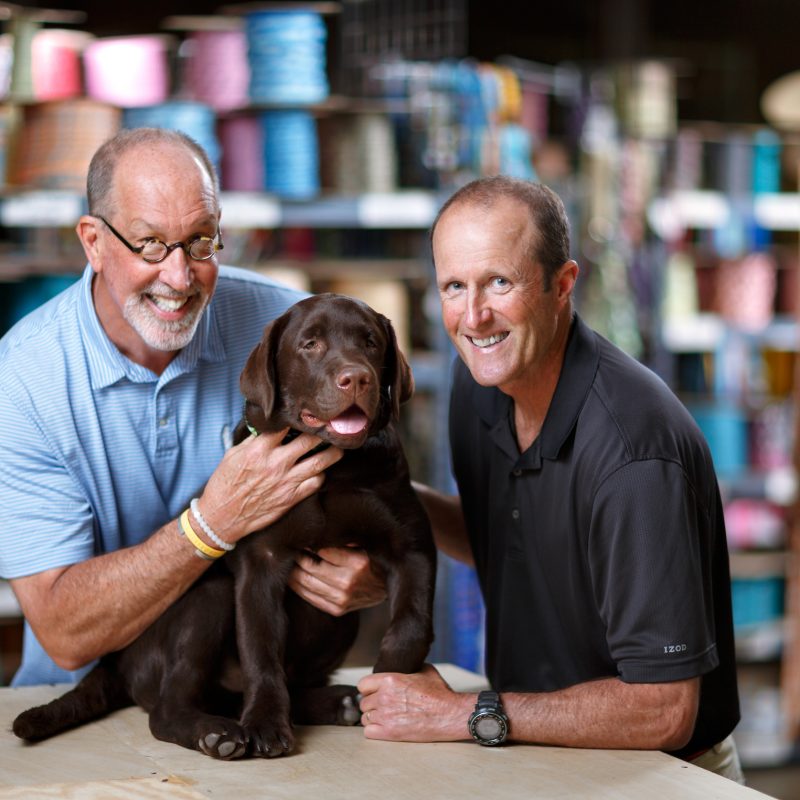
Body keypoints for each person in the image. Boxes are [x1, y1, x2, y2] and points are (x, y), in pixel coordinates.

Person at [356, 176, 743, 783]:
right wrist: (374, 505)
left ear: (562, 284)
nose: (474, 316)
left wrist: (464, 713)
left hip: (661, 776)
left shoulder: (633, 454)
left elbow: (665, 710)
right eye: (455, 286)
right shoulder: (481, 381)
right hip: (537, 754)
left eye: (499, 282)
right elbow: (506, 534)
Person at [0, 127, 383, 687]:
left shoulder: (293, 333)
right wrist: (212, 524)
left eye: (201, 241)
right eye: (150, 243)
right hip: (77, 701)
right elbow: (63, 632)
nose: (179, 277)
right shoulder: (22, 380)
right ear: (93, 242)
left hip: (248, 691)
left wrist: (374, 565)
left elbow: (375, 484)